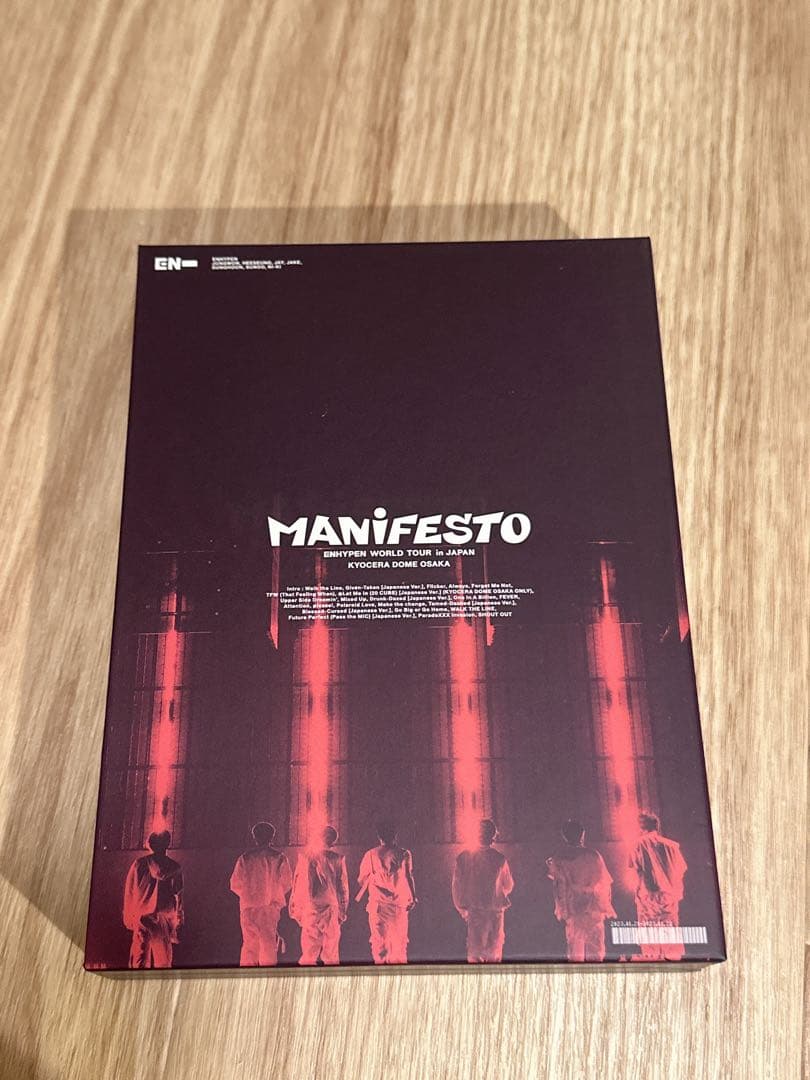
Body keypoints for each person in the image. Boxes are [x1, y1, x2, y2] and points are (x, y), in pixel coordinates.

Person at [546, 820, 615, 962]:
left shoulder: (560, 857)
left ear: (565, 836)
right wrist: (603, 903)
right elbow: (604, 883)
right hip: (593, 907)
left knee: (575, 950)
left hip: (574, 908)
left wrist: (563, 909)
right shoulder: (593, 855)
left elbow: (559, 887)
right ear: (582, 834)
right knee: (595, 950)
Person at [229, 821, 292, 966]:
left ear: (254, 837)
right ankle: (268, 976)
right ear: (272, 837)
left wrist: (249, 895)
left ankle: (248, 976)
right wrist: (273, 895)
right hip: (270, 908)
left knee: (249, 946)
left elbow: (235, 884)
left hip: (249, 908)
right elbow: (287, 883)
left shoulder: (245, 858)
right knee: (268, 945)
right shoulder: (279, 857)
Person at [452, 818, 514, 963]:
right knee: (494, 952)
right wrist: (495, 893)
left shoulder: (463, 858)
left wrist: (463, 909)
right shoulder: (499, 859)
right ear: (493, 835)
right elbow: (508, 885)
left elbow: (457, 887)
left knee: (476, 952)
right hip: (495, 913)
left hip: (476, 912)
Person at [356, 821, 418, 964]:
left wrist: (375, 878)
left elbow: (361, 880)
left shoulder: (370, 855)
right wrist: (413, 897)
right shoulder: (404, 854)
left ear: (379, 836)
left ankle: (381, 973)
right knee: (399, 945)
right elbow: (409, 876)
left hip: (378, 907)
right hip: (399, 905)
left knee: (379, 946)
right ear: (395, 835)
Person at [630, 811, 689, 961]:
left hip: (648, 895)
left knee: (650, 935)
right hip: (669, 895)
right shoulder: (672, 846)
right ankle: (671, 961)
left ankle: (653, 960)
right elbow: (681, 870)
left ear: (641, 827)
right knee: (669, 931)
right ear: (657, 826)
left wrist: (638, 891)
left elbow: (636, 871)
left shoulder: (638, 844)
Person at [123, 830, 183, 969]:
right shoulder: (175, 868)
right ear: (167, 844)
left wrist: (129, 919)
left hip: (142, 918)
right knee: (163, 962)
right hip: (164, 919)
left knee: (139, 961)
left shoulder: (139, 864)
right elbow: (178, 897)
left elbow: (130, 892)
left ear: (150, 844)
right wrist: (177, 922)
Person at [289, 825, 349, 965]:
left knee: (309, 954)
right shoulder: (338, 859)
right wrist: (342, 912)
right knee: (331, 954)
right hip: (331, 909)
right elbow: (342, 889)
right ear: (333, 841)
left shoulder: (305, 858)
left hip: (311, 909)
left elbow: (298, 885)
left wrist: (296, 910)